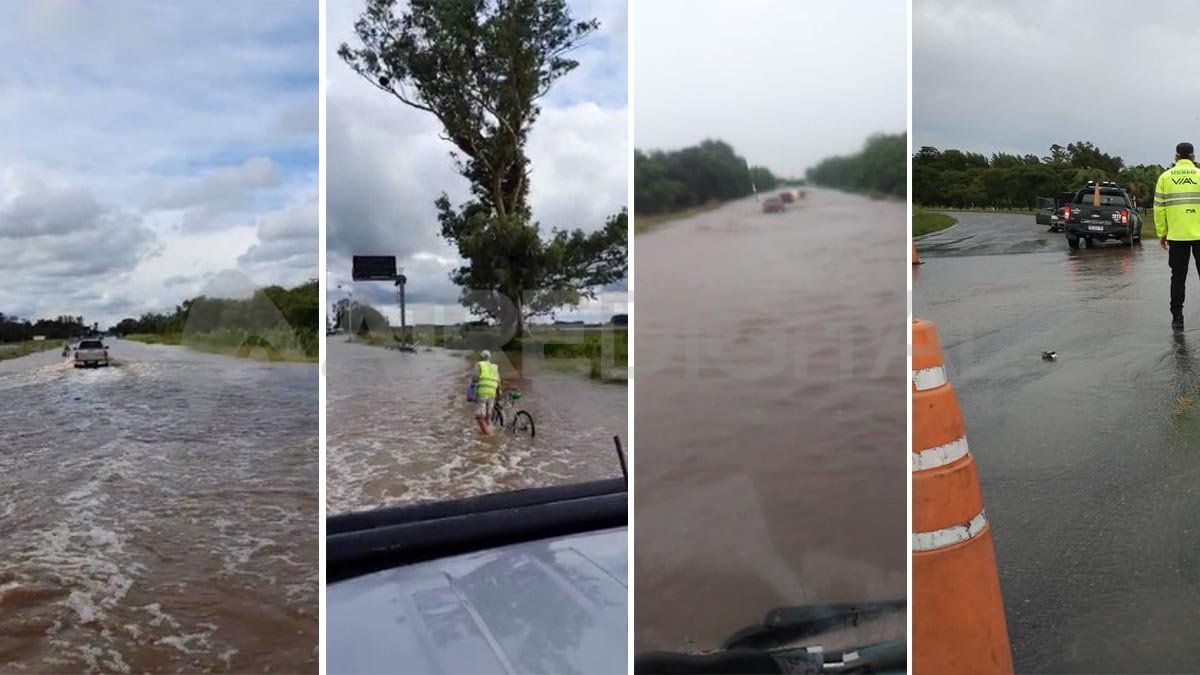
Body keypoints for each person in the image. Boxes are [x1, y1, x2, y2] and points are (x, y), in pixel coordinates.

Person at [1156, 142, 1200, 328]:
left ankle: (1177, 318)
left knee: (1178, 276)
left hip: (1177, 236)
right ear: (1193, 158)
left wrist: (1162, 233)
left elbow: (1159, 209)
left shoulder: (1165, 177)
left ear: (1176, 157)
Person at [471, 349, 500, 434]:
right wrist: (499, 392)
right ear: (489, 358)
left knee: (480, 416)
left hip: (483, 392)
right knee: (488, 414)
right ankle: (488, 429)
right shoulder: (494, 367)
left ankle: (488, 435)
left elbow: (475, 378)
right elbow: (498, 380)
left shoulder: (479, 364)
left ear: (481, 357)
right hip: (492, 393)